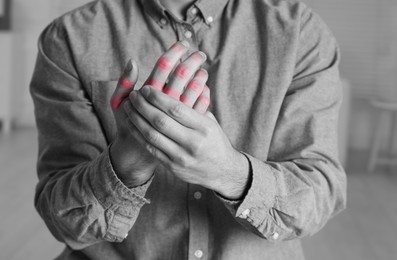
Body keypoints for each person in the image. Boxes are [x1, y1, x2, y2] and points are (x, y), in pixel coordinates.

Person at [30, 0, 347, 259]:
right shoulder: (69, 38)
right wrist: (127, 163)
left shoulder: (300, 33)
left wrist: (228, 171)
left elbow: (320, 191)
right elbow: (63, 221)